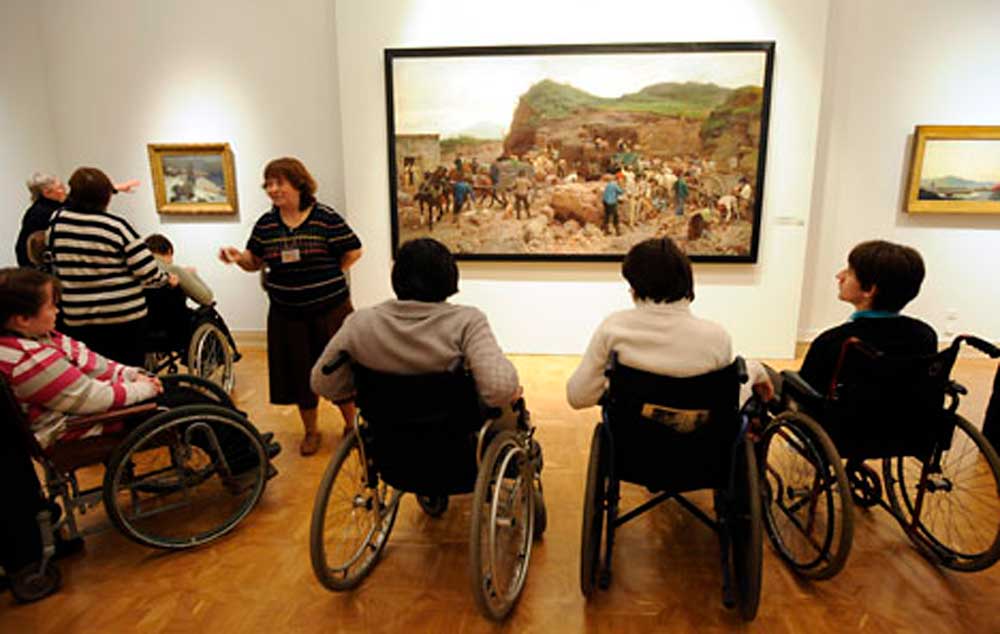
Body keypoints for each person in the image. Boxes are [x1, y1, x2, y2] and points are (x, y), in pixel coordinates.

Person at [219, 157, 362, 456]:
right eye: (268, 184)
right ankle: (311, 431)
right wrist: (237, 257)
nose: (272, 189)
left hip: (330, 311)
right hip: (287, 314)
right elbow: (254, 261)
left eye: (278, 182)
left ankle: (350, 426)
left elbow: (353, 250)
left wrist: (331, 273)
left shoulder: (325, 217)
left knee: (339, 370)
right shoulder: (267, 224)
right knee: (299, 375)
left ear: (298, 183)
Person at [311, 238, 521, 418]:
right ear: (449, 277)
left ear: (396, 277)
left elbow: (323, 383)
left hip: (386, 438)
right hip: (453, 440)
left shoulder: (360, 323)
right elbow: (498, 389)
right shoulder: (467, 322)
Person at [567, 237, 768, 409]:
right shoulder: (716, 337)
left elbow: (578, 396)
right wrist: (755, 370)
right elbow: (727, 404)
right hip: (700, 448)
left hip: (632, 446)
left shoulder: (614, 329)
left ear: (636, 288)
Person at [761, 240, 936, 398]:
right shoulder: (925, 335)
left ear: (869, 290)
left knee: (761, 375)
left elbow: (805, 391)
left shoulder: (835, 341)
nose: (840, 276)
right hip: (911, 425)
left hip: (846, 427)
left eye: (850, 272)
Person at [47, 168, 175, 367]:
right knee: (128, 373)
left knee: (92, 372)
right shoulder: (115, 226)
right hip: (122, 318)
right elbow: (147, 271)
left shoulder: (57, 223)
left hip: (78, 317)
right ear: (105, 197)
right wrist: (166, 279)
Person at [15, 172, 140, 267]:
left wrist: (115, 188)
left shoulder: (59, 203)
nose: (64, 190)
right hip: (38, 266)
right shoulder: (42, 213)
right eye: (60, 187)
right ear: (47, 193)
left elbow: (84, 197)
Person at [145, 234, 214, 307]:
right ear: (169, 252)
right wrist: (190, 274)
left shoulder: (139, 270)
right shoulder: (172, 270)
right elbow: (207, 298)